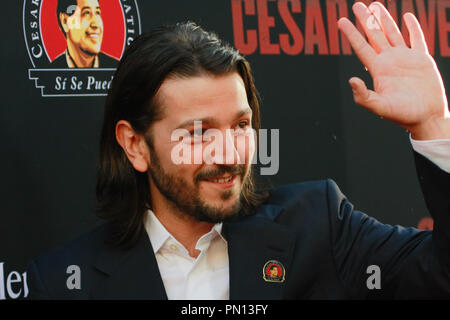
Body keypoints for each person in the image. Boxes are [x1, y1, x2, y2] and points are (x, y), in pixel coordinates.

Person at [27, 2, 450, 299]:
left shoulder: (320, 228)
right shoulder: (65, 282)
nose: (228, 154)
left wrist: (434, 124)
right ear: (135, 145)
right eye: (198, 133)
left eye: (241, 125)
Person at [52, 0, 118, 68]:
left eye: (97, 13)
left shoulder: (117, 69)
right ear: (65, 21)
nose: (96, 24)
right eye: (86, 13)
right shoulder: (50, 72)